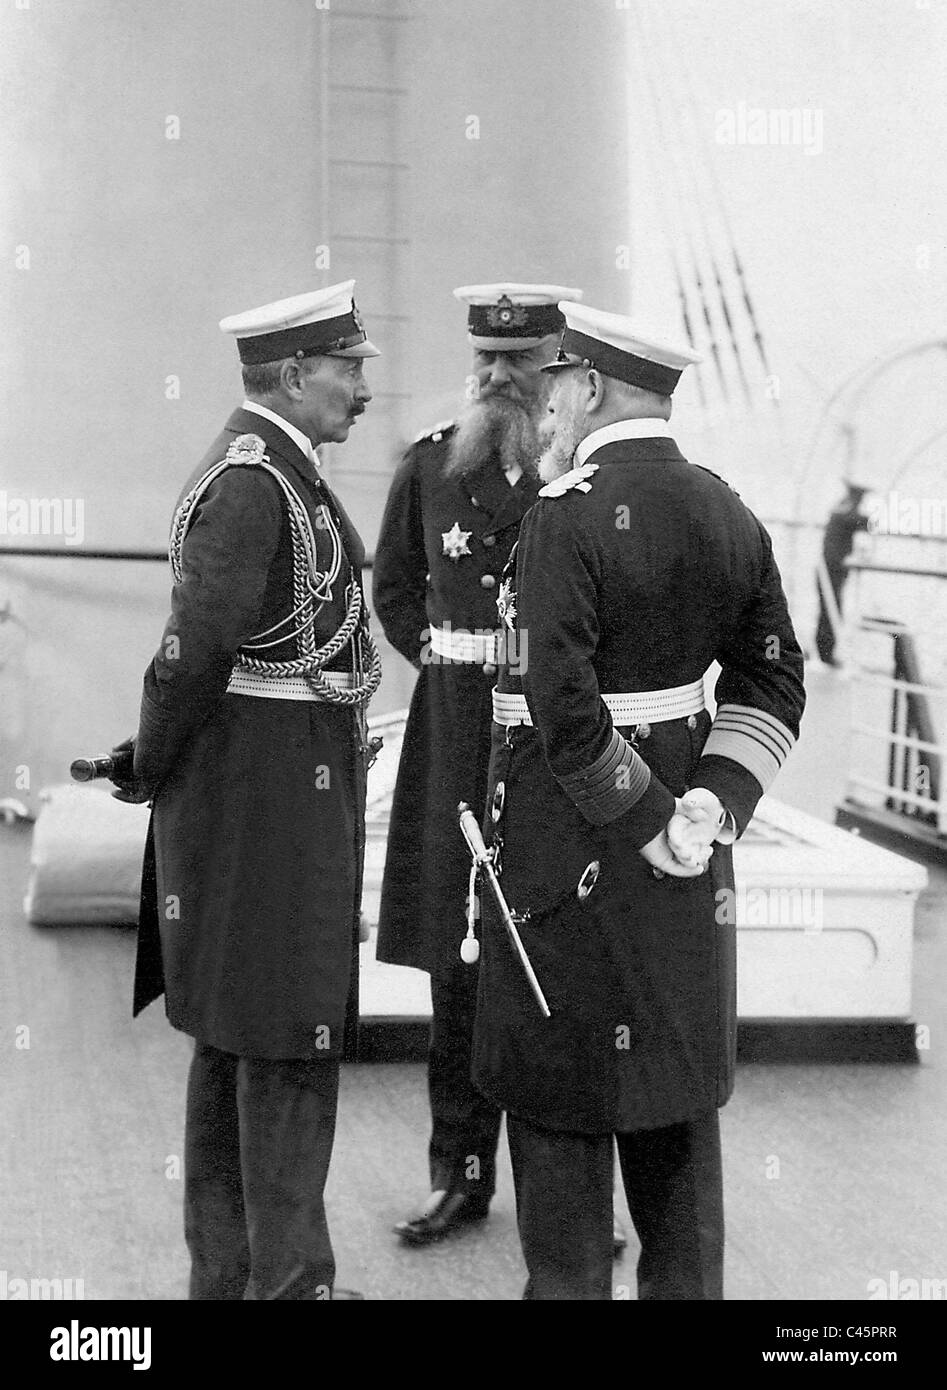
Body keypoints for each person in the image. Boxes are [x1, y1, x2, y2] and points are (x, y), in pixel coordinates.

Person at [471, 301, 806, 1300]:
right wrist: (707, 805)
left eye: (550, 390)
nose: (540, 411)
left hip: (565, 860)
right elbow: (774, 679)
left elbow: (562, 714)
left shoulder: (561, 517)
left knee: (559, 1110)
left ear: (585, 388)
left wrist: (651, 820)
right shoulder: (724, 508)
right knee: (672, 1111)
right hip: (689, 863)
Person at [113, 280, 381, 1300]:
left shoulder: (278, 472)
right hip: (264, 794)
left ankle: (235, 1282)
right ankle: (288, 1288)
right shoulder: (254, 483)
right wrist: (148, 757)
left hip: (273, 779)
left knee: (243, 1040)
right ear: (292, 374)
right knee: (280, 1041)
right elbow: (190, 652)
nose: (360, 387)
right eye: (346, 369)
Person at [373, 282, 589, 1246]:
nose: (499, 374)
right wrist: (454, 660)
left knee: (555, 952)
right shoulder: (426, 465)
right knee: (455, 963)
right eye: (486, 358)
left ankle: (570, 1194)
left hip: (550, 739)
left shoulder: (580, 478)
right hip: (455, 732)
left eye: (521, 359)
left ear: (556, 368)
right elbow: (392, 590)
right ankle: (459, 1176)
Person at [815, 481, 871, 664]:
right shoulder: (846, 514)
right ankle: (825, 654)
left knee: (829, 610)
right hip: (830, 571)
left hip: (829, 569)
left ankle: (824, 653)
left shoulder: (840, 510)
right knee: (831, 610)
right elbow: (863, 522)